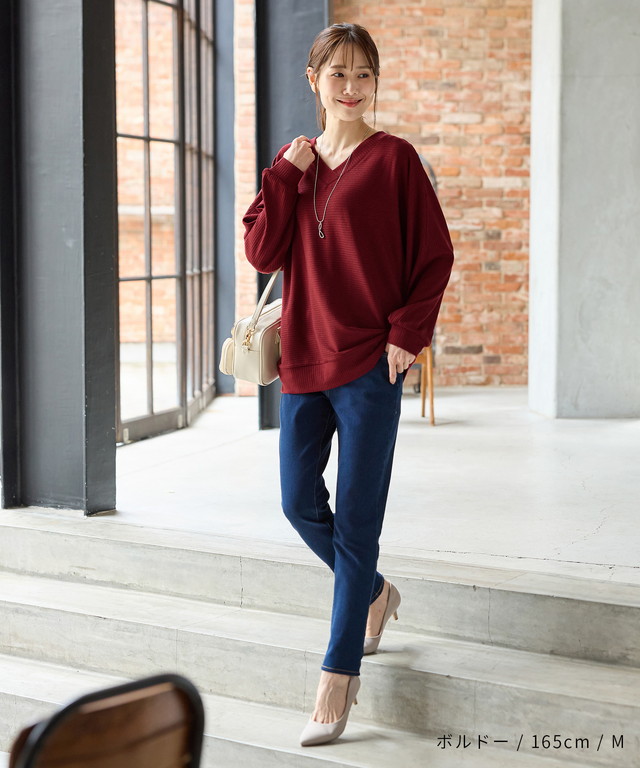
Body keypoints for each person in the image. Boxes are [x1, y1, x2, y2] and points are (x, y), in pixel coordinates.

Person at [242, 22, 454, 747]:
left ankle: (337, 681)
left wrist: (407, 333)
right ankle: (374, 592)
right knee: (298, 502)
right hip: (304, 357)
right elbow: (262, 251)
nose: (352, 87)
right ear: (314, 80)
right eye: (338, 74)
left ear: (375, 82)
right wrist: (284, 176)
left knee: (358, 521)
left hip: (370, 364)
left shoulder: (395, 160)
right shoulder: (292, 164)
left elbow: (434, 255)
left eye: (364, 74)